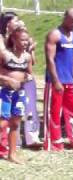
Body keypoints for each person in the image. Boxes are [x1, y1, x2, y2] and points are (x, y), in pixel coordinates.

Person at [43, 8, 73, 151]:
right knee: (53, 113)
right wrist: (55, 81)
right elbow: (50, 59)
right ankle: (55, 142)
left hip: (70, 81)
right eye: (72, 21)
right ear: (65, 17)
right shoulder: (55, 34)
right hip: (56, 81)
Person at [0, 27, 32, 164]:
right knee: (3, 122)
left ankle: (12, 154)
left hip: (20, 93)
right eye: (22, 40)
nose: (25, 42)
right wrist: (8, 80)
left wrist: (26, 79)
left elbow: (30, 73)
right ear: (14, 39)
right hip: (4, 92)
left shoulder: (27, 57)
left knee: (15, 123)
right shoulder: (4, 55)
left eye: (27, 40)